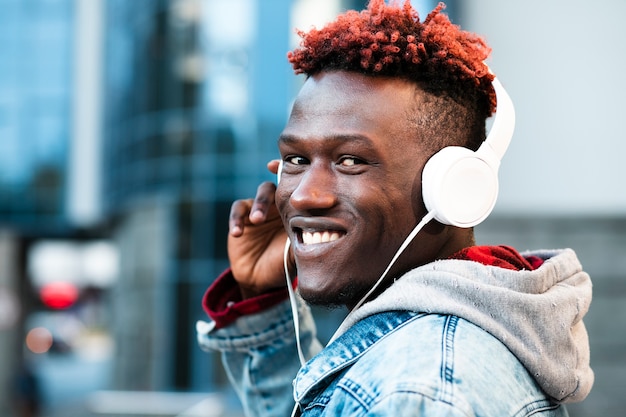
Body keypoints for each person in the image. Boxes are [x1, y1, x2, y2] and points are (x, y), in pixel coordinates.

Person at [197, 1, 594, 416]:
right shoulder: (417, 369)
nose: (301, 196)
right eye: (296, 159)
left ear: (454, 188)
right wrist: (264, 300)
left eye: (350, 161)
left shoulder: (419, 392)